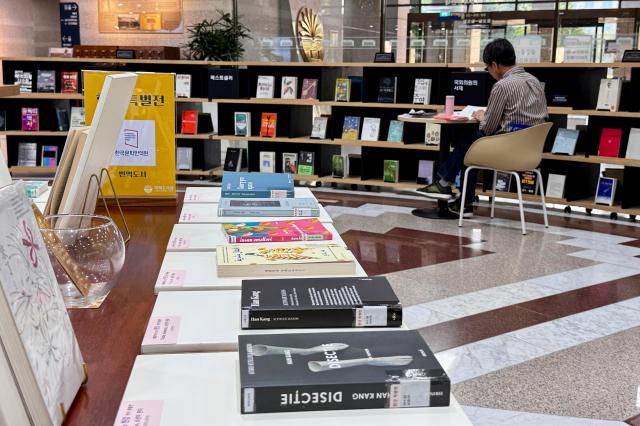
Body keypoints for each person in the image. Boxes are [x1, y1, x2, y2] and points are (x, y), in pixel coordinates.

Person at [416, 38, 548, 218]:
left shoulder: (502, 86)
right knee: (474, 145)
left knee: (473, 139)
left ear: (494, 65)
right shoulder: (535, 82)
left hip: (508, 150)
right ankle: (462, 202)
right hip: (531, 151)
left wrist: (482, 116)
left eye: (487, 68)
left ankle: (445, 184)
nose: (489, 72)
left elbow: (489, 128)